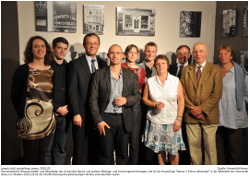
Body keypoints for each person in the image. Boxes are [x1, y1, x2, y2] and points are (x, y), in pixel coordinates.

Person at [89, 44, 141, 165]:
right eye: (112, 53)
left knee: (123, 155)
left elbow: (137, 95)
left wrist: (126, 100)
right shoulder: (99, 74)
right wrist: (98, 121)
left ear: (122, 56)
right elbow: (93, 99)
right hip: (105, 119)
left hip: (124, 119)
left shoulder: (130, 74)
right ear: (108, 56)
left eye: (118, 53)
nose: (115, 55)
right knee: (105, 155)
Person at [11, 36, 55, 165]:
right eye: (36, 46)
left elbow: (56, 93)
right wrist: (22, 114)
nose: (39, 49)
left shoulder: (52, 70)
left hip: (48, 120)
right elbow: (15, 96)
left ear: (46, 49)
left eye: (42, 46)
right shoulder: (22, 70)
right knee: (30, 158)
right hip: (29, 120)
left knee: (42, 157)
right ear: (31, 50)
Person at [67, 33, 107, 165]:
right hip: (81, 113)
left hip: (98, 114)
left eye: (95, 43)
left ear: (99, 45)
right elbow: (72, 91)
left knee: (96, 148)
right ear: (84, 45)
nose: (92, 46)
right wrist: (76, 113)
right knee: (80, 148)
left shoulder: (103, 63)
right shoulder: (75, 64)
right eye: (89, 43)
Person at [180, 42, 222, 165]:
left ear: (206, 52)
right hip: (190, 114)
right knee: (194, 149)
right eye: (195, 51)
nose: (198, 54)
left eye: (201, 51)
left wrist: (201, 109)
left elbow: (217, 93)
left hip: (209, 115)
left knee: (210, 148)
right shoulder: (186, 70)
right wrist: (193, 109)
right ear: (192, 54)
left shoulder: (215, 70)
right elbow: (182, 92)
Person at [142, 54, 186, 165]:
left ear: (167, 65)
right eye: (158, 63)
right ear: (155, 66)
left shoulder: (176, 81)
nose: (160, 66)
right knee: (160, 150)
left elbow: (181, 100)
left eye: (163, 63)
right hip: (156, 120)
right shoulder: (150, 82)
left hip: (172, 121)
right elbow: (144, 99)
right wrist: (154, 103)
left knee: (173, 150)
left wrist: (179, 119)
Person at [216, 45, 248, 165]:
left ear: (231, 56)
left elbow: (247, 93)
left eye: (226, 53)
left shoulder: (240, 72)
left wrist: (239, 106)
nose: (223, 56)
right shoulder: (214, 69)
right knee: (218, 147)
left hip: (234, 115)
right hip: (218, 115)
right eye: (220, 53)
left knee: (235, 149)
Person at [45, 37, 69, 165]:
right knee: (47, 150)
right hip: (49, 115)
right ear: (53, 48)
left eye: (65, 49)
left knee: (60, 149)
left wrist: (65, 109)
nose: (62, 51)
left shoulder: (69, 67)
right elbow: (43, 93)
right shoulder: (46, 66)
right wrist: (55, 108)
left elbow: (73, 91)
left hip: (65, 115)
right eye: (59, 48)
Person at [122, 44, 146, 164]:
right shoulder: (120, 67)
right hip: (121, 105)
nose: (132, 54)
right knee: (122, 140)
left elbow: (142, 89)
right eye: (130, 52)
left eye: (135, 52)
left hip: (136, 106)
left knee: (134, 140)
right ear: (125, 54)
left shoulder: (141, 70)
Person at [169, 45, 192, 165]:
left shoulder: (193, 68)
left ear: (189, 54)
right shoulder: (171, 68)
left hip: (187, 107)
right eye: (180, 54)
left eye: (185, 53)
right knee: (174, 136)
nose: (182, 56)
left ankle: (185, 164)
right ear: (177, 55)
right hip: (172, 108)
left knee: (186, 137)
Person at [138, 42, 158, 164]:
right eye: (148, 51)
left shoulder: (160, 67)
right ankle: (142, 163)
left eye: (153, 51)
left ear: (156, 53)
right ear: (145, 52)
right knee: (141, 135)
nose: (150, 54)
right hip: (141, 106)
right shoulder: (138, 67)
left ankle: (155, 163)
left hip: (156, 107)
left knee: (155, 135)